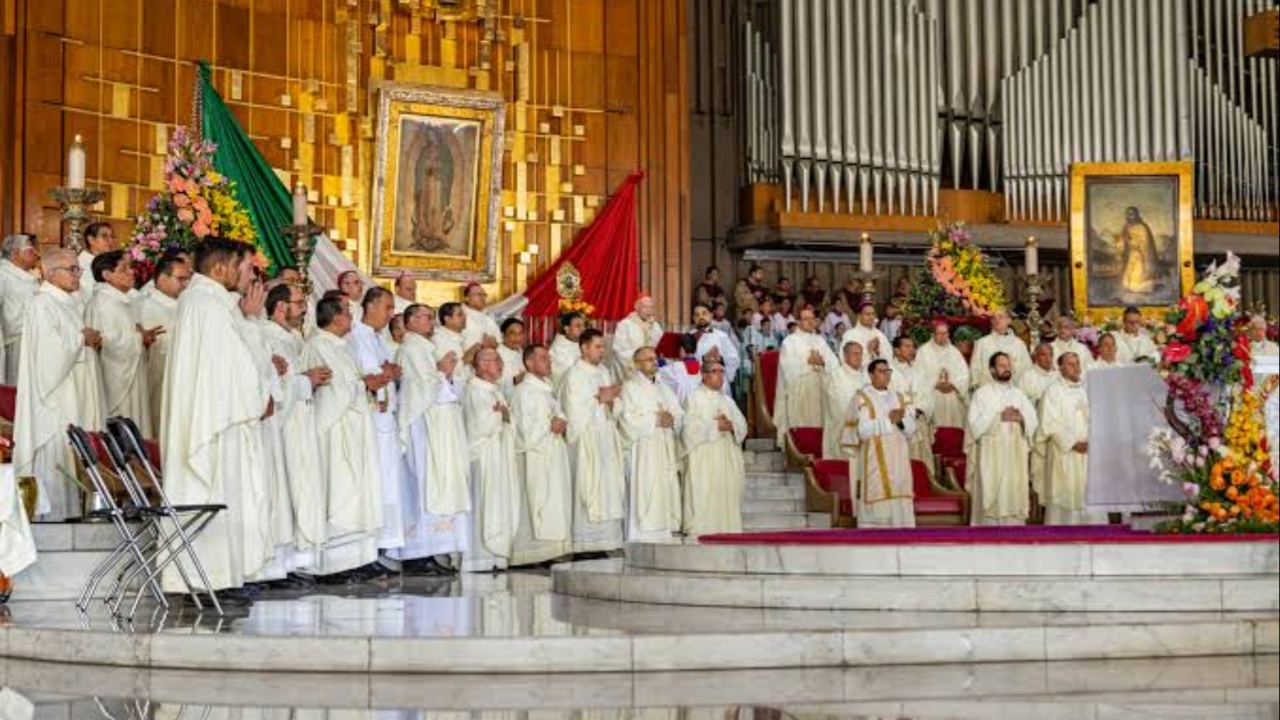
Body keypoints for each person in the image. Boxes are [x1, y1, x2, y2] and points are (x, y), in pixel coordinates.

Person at [158, 238, 273, 594]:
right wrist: (258, 397)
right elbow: (235, 370)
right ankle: (211, 580)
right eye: (247, 267)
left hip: (220, 417)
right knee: (214, 488)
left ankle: (221, 578)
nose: (252, 275)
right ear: (221, 268)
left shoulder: (209, 302)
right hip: (215, 422)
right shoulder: (207, 305)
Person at [13, 249, 105, 521]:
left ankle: (79, 510)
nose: (78, 274)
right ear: (51, 273)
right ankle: (55, 516)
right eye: (71, 269)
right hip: (57, 397)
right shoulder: (43, 304)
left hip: (75, 391)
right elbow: (48, 359)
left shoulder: (68, 302)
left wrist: (87, 340)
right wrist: (82, 339)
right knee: (59, 450)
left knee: (76, 450)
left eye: (78, 269)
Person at [301, 296, 383, 580]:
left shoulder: (343, 346)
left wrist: (366, 387)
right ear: (335, 317)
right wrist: (364, 386)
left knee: (355, 492)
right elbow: (331, 391)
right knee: (339, 492)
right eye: (348, 312)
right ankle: (332, 565)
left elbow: (348, 384)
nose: (352, 317)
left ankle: (353, 560)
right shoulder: (317, 345)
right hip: (334, 431)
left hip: (353, 428)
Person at [261, 283, 331, 573]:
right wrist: (306, 380)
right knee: (283, 493)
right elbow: (274, 387)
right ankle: (278, 567)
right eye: (299, 303)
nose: (305, 309)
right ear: (280, 307)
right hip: (283, 428)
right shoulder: (268, 337)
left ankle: (294, 565)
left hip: (301, 424)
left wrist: (306, 380)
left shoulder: (293, 339)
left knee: (300, 492)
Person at [396, 303, 469, 574]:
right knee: (425, 483)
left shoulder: (427, 348)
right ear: (411, 321)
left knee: (440, 483)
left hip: (442, 426)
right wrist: (441, 372)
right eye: (426, 317)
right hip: (424, 426)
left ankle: (434, 550)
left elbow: (446, 386)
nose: (431, 322)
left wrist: (446, 375)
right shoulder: (411, 349)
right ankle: (418, 553)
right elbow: (419, 389)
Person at [349, 287, 416, 566]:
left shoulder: (380, 339)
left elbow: (385, 372)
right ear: (371, 306)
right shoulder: (354, 336)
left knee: (388, 483)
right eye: (387, 308)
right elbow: (362, 375)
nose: (391, 315)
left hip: (384, 419)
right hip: (368, 420)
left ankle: (381, 546)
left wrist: (393, 374)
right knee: (373, 482)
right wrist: (385, 374)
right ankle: (366, 547)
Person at [559, 328, 625, 554]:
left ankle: (606, 541)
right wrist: (600, 398)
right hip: (586, 437)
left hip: (605, 435)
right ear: (584, 347)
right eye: (597, 347)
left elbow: (614, 404)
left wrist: (612, 400)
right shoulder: (574, 374)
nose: (601, 351)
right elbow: (573, 409)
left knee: (607, 486)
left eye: (603, 347)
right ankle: (585, 543)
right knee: (588, 486)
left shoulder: (604, 372)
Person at [509, 344, 572, 566]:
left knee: (551, 500)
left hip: (551, 452)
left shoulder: (545, 388)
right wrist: (550, 425)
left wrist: (560, 421)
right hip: (533, 457)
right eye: (543, 358)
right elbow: (524, 431)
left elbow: (556, 414)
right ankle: (530, 553)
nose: (549, 362)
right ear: (529, 363)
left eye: (548, 358)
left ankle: (548, 550)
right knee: (533, 504)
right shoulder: (524, 391)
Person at [86, 250, 160, 437]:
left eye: (130, 267)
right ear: (107, 275)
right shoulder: (104, 302)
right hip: (117, 377)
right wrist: (139, 338)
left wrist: (141, 336)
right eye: (124, 268)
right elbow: (107, 342)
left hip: (131, 371)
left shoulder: (118, 300)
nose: (131, 272)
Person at [463, 347, 521, 571]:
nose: (501, 365)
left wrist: (502, 415)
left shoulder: (495, 390)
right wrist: (499, 415)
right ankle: (478, 557)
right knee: (483, 504)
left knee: (499, 502)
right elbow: (478, 425)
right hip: (483, 456)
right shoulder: (473, 389)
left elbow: (507, 419)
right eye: (497, 360)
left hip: (499, 454)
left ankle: (496, 555)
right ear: (483, 364)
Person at [619, 347, 683, 542]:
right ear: (637, 363)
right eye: (648, 359)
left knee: (664, 486)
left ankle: (663, 530)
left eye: (655, 358)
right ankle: (640, 534)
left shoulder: (664, 388)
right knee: (645, 488)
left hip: (663, 445)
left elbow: (679, 413)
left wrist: (672, 419)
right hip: (643, 448)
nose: (653, 362)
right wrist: (654, 420)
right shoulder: (630, 387)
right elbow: (625, 419)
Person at [967, 352, 1039, 526]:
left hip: (1015, 455)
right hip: (991, 456)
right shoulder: (982, 394)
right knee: (992, 496)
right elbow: (974, 426)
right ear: (992, 370)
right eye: (1002, 366)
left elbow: (1033, 422)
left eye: (1008, 365)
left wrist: (1023, 419)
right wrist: (999, 417)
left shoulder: (1019, 394)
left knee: (1014, 493)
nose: (1007, 369)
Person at [681, 359, 747, 536]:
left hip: (725, 457)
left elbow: (743, 425)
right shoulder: (694, 398)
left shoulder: (727, 400)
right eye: (715, 372)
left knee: (725, 494)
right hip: (704, 458)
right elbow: (687, 429)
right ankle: (700, 530)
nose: (720, 376)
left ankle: (728, 529)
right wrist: (714, 426)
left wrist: (733, 426)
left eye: (722, 372)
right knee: (703, 493)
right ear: (704, 375)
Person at [851, 359, 917, 528]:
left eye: (888, 371)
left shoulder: (899, 397)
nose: (886, 375)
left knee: (900, 493)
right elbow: (862, 431)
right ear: (871, 374)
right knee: (878, 493)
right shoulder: (862, 397)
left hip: (899, 457)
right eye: (881, 371)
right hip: (875, 456)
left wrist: (901, 421)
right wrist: (888, 421)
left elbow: (911, 430)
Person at [1041, 352, 1104, 525]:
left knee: (1089, 496)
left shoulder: (1086, 390)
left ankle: (1095, 537)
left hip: (1089, 452)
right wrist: (1072, 443)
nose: (1076, 367)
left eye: (1077, 363)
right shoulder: (1053, 391)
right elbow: (1049, 423)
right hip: (1066, 453)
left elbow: (1099, 418)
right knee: (1066, 495)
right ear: (1060, 368)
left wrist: (1093, 441)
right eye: (1070, 364)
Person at [139, 254, 191, 430]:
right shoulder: (146, 306)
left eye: (187, 279)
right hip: (160, 380)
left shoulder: (185, 303)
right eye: (180, 279)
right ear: (162, 277)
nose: (185, 284)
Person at [774, 307, 838, 447]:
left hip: (820, 389)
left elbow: (834, 364)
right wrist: (807, 362)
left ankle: (820, 447)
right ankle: (799, 446)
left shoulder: (820, 341)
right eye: (805, 319)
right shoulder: (790, 341)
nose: (809, 322)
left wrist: (822, 362)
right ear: (798, 322)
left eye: (812, 319)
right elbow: (787, 368)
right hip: (799, 391)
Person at [1021, 342, 1061, 517]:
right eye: (1043, 355)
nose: (1047, 359)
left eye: (1050, 355)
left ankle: (1056, 506)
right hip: (1038, 431)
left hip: (1058, 434)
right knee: (1040, 471)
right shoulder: (1027, 376)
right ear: (1036, 357)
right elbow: (1021, 403)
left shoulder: (1059, 376)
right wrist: (1040, 403)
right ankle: (1040, 510)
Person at [889, 336, 934, 475]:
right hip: (899, 425)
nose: (911, 350)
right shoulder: (888, 372)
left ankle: (925, 486)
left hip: (919, 421)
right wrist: (907, 413)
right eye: (907, 346)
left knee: (922, 459)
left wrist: (920, 409)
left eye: (912, 346)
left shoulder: (919, 371)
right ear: (896, 350)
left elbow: (929, 394)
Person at [0, 234, 41, 384]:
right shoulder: (3, 274)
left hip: (34, 336)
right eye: (31, 251)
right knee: (17, 384)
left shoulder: (29, 275)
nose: (37, 254)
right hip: (16, 340)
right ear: (15, 253)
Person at [916, 322, 971, 429]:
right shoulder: (923, 352)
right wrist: (935, 384)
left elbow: (964, 374)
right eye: (939, 334)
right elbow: (919, 375)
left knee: (954, 431)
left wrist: (953, 384)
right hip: (933, 397)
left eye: (945, 333)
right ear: (932, 335)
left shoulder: (954, 351)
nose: (943, 337)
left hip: (953, 397)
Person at [824, 341, 867, 460]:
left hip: (866, 428)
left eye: (860, 354)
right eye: (855, 354)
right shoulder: (836, 376)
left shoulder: (866, 376)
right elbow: (838, 404)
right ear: (845, 356)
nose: (859, 357)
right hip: (843, 428)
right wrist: (858, 418)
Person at [969, 309, 1031, 388]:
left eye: (1000, 317)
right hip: (989, 391)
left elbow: (1027, 368)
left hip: (1014, 390)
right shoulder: (982, 343)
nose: (997, 320)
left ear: (1009, 320)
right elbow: (975, 368)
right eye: (994, 318)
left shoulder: (1019, 344)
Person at [612, 293, 663, 381]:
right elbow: (619, 349)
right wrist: (640, 361)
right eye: (645, 307)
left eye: (651, 307)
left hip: (650, 366)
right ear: (636, 307)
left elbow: (659, 347)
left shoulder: (656, 326)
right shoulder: (625, 325)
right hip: (632, 368)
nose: (649, 311)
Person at [692, 303, 740, 392]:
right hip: (695, 383)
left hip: (717, 380)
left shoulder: (721, 336)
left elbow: (734, 359)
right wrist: (704, 358)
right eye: (697, 315)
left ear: (711, 315)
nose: (701, 317)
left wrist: (720, 359)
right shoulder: (689, 336)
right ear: (693, 318)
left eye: (704, 313)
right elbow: (684, 361)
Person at [1118, 206, 1158, 295]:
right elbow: (1121, 240)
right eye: (1128, 214)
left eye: (1132, 214)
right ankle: (1129, 287)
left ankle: (1141, 288)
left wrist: (1131, 241)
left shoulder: (1142, 227)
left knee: (1139, 270)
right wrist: (1122, 242)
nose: (1130, 216)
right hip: (1130, 254)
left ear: (1136, 215)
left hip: (1140, 254)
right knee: (1129, 270)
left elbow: (1145, 242)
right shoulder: (1126, 227)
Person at [433, 302, 474, 386]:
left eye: (464, 315)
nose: (465, 318)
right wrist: (466, 358)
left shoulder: (460, 336)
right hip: (451, 390)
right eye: (460, 315)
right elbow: (443, 369)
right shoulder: (439, 339)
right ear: (447, 319)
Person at [841, 303, 890, 369]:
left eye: (873, 314)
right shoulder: (850, 335)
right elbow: (845, 360)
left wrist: (877, 352)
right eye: (867, 314)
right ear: (859, 316)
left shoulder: (880, 335)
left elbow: (889, 359)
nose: (871, 317)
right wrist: (869, 351)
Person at [77, 222, 117, 302]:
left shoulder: (103, 260)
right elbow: (88, 295)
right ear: (91, 240)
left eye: (112, 236)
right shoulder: (83, 264)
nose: (110, 241)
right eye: (104, 236)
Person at [658, 334, 703, 404]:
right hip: (697, 402)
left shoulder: (677, 366)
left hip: (682, 403)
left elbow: (660, 373)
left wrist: (661, 361)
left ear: (681, 349)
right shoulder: (700, 365)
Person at [460, 281, 502, 354]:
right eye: (478, 294)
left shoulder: (489, 320)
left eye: (484, 295)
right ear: (467, 298)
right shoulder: (460, 318)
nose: (482, 298)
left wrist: (495, 344)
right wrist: (482, 346)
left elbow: (499, 343)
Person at [549, 311, 586, 388]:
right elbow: (569, 372)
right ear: (567, 329)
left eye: (583, 325)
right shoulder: (559, 347)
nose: (583, 329)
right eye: (578, 326)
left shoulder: (583, 343)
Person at [498, 317, 526, 398]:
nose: (517, 338)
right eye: (512, 333)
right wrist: (514, 380)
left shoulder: (522, 352)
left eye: (520, 333)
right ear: (503, 335)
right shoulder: (496, 355)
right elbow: (493, 382)